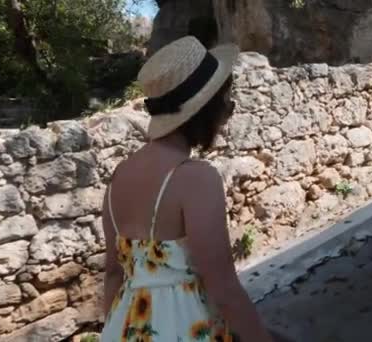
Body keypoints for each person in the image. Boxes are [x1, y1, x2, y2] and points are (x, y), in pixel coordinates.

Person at [100, 36, 275, 342]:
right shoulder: (196, 178)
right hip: (186, 328)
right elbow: (224, 289)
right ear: (204, 110)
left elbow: (114, 274)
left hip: (127, 325)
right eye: (226, 103)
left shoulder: (118, 177)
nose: (227, 114)